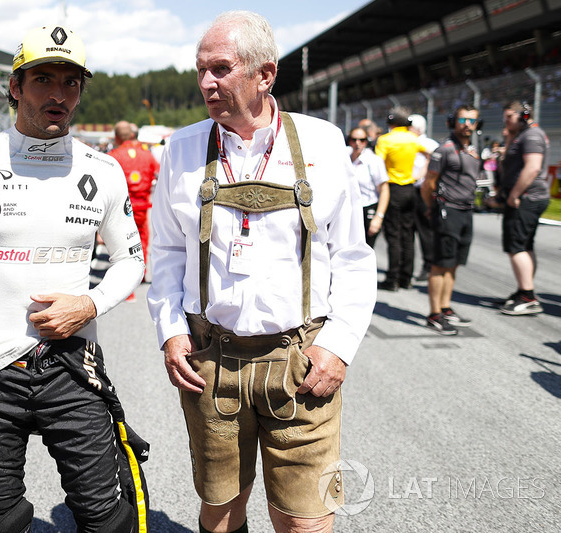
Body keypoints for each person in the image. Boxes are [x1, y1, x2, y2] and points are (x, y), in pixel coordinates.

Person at [0, 25, 145, 532]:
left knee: (108, 521)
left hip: (73, 366)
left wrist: (91, 304)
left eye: (71, 82)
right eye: (43, 79)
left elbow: (131, 261)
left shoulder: (103, 170)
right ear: (15, 87)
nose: (59, 94)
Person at [147, 11, 376, 533]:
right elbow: (164, 254)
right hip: (212, 362)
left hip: (302, 363)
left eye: (221, 69)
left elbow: (353, 257)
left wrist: (338, 347)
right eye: (201, 70)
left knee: (305, 520)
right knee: (221, 512)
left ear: (264, 75)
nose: (207, 82)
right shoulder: (180, 150)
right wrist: (171, 333)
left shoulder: (322, 143)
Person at [420, 106, 481, 335]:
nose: (467, 124)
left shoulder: (473, 149)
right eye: (463, 119)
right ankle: (434, 314)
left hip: (466, 211)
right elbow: (428, 183)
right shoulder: (444, 149)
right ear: (453, 121)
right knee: (440, 264)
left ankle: (445, 308)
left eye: (472, 120)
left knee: (454, 262)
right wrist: (432, 208)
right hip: (448, 212)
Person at [497, 101, 551, 315]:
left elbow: (533, 167)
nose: (506, 120)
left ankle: (528, 296)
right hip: (527, 197)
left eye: (509, 116)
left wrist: (514, 195)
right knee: (525, 246)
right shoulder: (522, 134)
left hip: (526, 198)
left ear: (524, 116)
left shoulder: (531, 135)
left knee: (516, 246)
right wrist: (509, 136)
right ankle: (524, 290)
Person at [375, 108, 428, 291]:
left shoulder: (385, 140)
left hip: (392, 188)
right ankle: (406, 278)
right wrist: (418, 175)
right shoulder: (414, 139)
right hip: (409, 188)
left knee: (393, 235)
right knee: (408, 234)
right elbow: (429, 155)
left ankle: (392, 278)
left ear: (391, 124)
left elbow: (377, 164)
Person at [108, 120, 159, 273]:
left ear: (116, 138)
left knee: (122, 243)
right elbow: (158, 173)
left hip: (122, 207)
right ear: (131, 135)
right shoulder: (147, 155)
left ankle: (128, 283)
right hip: (142, 205)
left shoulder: (113, 156)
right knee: (142, 239)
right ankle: (141, 272)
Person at [409, 114, 439, 282]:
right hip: (408, 189)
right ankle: (406, 269)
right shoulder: (406, 142)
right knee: (407, 232)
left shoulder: (430, 145)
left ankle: (428, 266)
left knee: (425, 231)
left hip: (423, 190)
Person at [347, 127, 389, 248]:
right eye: (354, 140)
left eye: (362, 140)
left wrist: (379, 217)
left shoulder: (374, 161)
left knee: (365, 249)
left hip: (367, 208)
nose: (357, 143)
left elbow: (384, 189)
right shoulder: (345, 157)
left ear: (367, 141)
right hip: (348, 209)